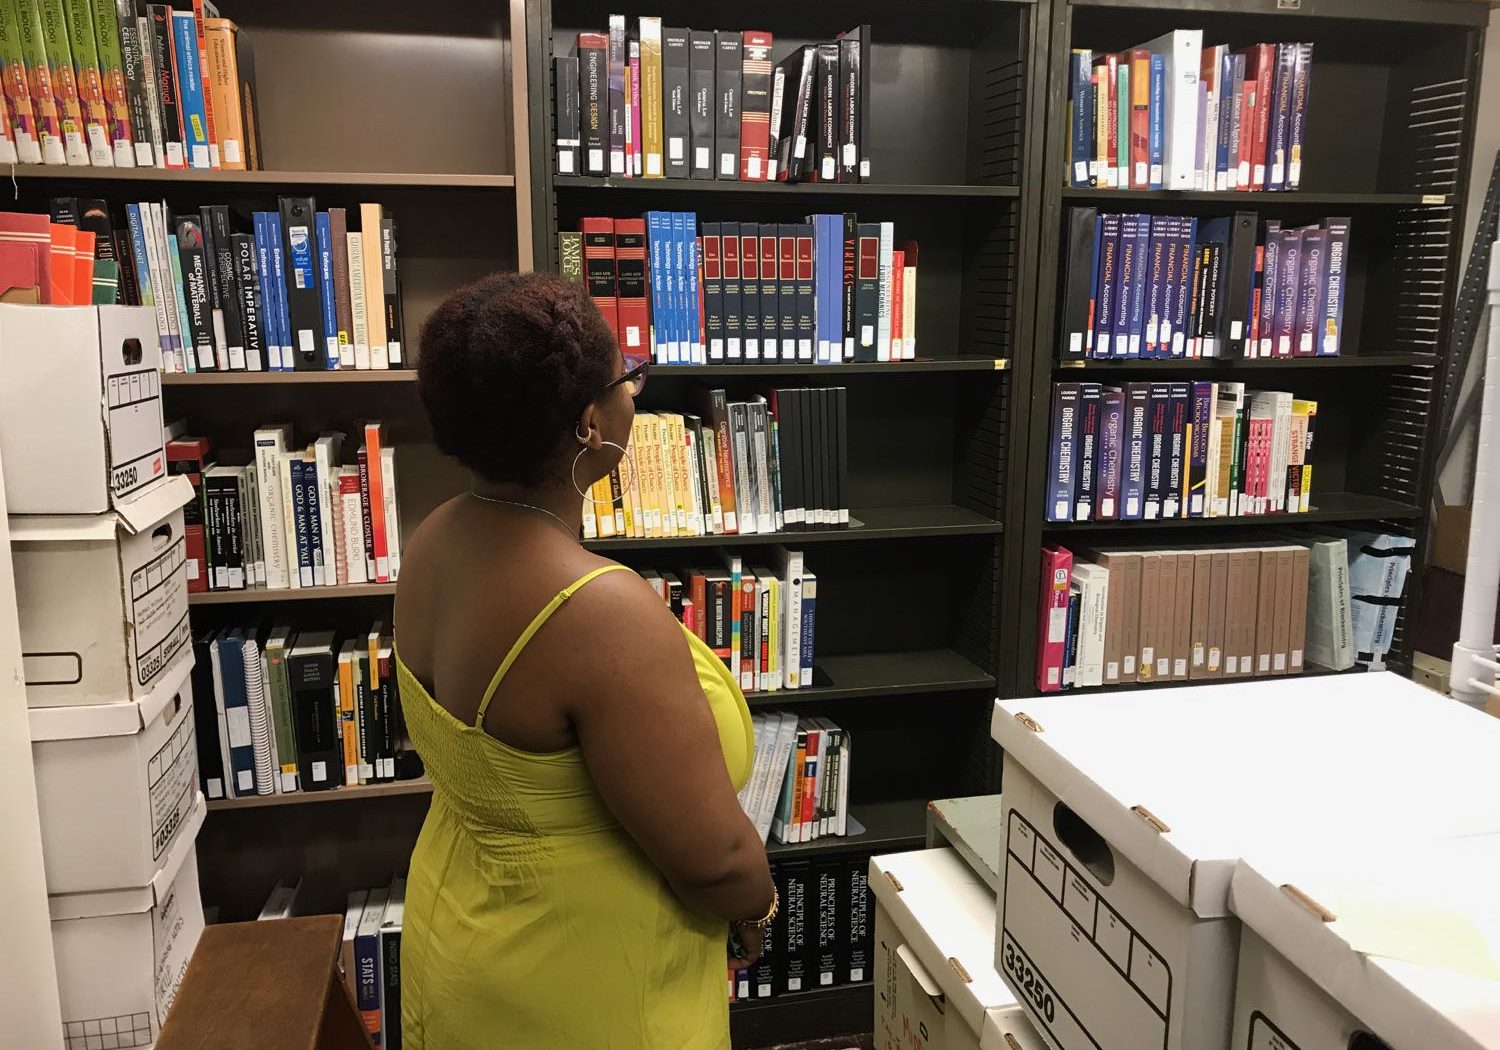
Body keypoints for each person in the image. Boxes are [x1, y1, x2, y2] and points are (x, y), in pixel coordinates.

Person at [393, 272, 776, 1049]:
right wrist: (759, 906)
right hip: (583, 988)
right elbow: (715, 861)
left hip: (462, 939)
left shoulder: (436, 537)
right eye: (627, 379)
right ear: (591, 423)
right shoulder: (596, 612)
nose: (636, 395)